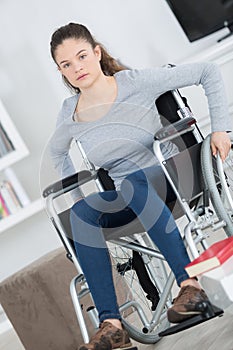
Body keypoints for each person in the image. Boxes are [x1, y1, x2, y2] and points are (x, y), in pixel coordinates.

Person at [49, 23, 231, 350]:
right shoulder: (69, 113)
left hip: (171, 178)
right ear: (60, 70)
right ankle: (113, 326)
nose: (76, 68)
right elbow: (57, 152)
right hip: (130, 197)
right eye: (66, 64)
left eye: (81, 56)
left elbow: (207, 72)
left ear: (96, 53)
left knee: (134, 182)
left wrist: (220, 130)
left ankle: (189, 287)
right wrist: (78, 196)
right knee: (80, 213)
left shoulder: (135, 82)